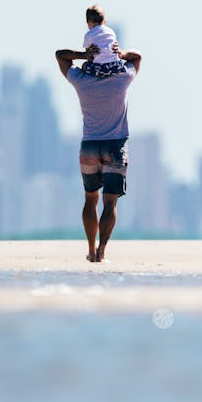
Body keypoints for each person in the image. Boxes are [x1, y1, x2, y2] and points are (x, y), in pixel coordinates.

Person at [55, 37, 142, 263]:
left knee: (90, 199)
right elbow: (137, 57)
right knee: (110, 203)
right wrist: (120, 54)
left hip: (90, 145)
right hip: (115, 145)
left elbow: (60, 55)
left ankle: (91, 250)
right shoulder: (122, 78)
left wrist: (84, 56)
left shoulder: (81, 80)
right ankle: (102, 251)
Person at [79, 5, 127, 77]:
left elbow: (88, 56)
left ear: (88, 22)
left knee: (84, 65)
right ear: (104, 21)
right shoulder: (111, 31)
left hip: (99, 69)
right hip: (116, 67)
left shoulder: (88, 35)